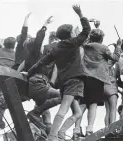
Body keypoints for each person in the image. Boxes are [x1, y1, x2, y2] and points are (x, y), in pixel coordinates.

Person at [24, 5, 91, 141]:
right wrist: (80, 14)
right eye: (73, 31)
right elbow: (87, 30)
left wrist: (29, 73)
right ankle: (53, 136)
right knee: (64, 109)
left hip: (64, 82)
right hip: (75, 80)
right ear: (70, 34)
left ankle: (60, 133)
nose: (74, 33)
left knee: (77, 113)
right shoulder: (73, 43)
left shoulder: (55, 49)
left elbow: (41, 62)